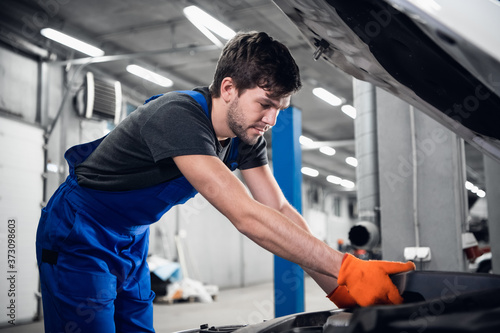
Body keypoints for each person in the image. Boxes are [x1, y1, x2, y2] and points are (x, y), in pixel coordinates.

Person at [36, 31, 415, 332]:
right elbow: (245, 215)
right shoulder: (178, 117)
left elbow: (279, 209)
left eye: (279, 110)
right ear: (229, 89)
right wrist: (347, 267)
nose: (271, 120)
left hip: (131, 239)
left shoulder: (246, 137)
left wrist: (337, 286)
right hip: (79, 231)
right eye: (265, 104)